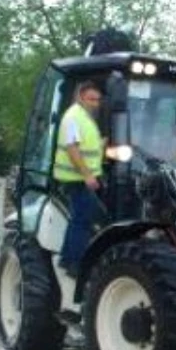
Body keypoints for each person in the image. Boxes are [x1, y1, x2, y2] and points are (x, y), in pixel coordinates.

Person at [54, 82, 105, 277]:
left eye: (98, 100)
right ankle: (75, 264)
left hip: (81, 177)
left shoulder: (84, 117)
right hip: (76, 178)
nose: (95, 104)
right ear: (81, 97)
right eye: (91, 99)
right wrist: (87, 175)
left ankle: (67, 259)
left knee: (79, 219)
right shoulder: (73, 117)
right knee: (82, 220)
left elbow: (86, 146)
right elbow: (73, 149)